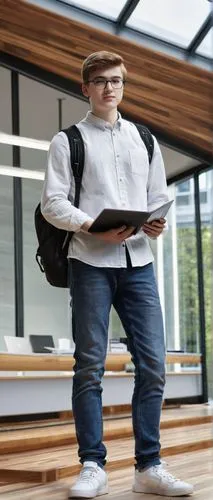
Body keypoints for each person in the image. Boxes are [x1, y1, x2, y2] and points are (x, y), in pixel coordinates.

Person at [41, 51, 193, 498]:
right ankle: (92, 465)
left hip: (139, 263)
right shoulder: (66, 141)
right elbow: (53, 203)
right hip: (90, 262)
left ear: (124, 86)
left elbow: (158, 197)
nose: (110, 88)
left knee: (154, 365)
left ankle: (149, 466)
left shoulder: (144, 139)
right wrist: (92, 225)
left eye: (117, 81)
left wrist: (156, 222)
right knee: (89, 367)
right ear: (84, 88)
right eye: (101, 81)